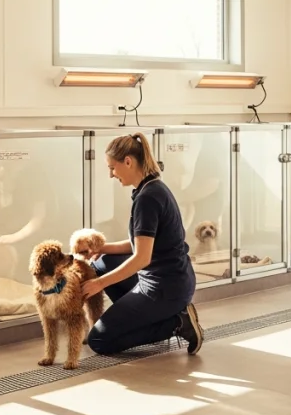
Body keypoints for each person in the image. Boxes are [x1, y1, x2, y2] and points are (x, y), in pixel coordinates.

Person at [78, 133, 205, 355]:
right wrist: (101, 248)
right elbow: (138, 244)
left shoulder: (148, 198)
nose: (111, 175)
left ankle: (177, 322)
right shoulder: (150, 188)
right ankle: (142, 318)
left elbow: (142, 258)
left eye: (112, 168)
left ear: (128, 161)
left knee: (99, 340)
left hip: (164, 288)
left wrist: (99, 285)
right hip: (170, 279)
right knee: (101, 263)